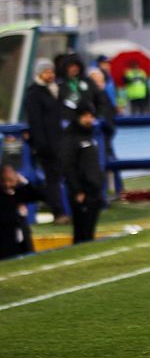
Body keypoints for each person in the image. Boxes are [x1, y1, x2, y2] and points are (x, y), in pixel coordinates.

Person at [24, 58, 69, 225]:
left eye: (51, 71)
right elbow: (36, 122)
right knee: (52, 180)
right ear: (39, 73)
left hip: (58, 143)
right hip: (47, 146)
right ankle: (58, 212)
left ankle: (62, 209)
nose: (50, 74)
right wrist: (42, 145)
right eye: (47, 71)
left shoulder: (54, 90)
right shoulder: (34, 93)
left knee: (57, 178)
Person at [60, 102, 105, 245]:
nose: (88, 119)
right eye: (85, 116)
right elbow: (68, 166)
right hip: (82, 192)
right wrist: (77, 190)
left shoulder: (90, 136)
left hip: (94, 190)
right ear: (78, 117)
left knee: (89, 233)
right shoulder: (70, 138)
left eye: (91, 116)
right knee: (81, 233)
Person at [0, 164, 45, 259]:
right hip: (6, 239)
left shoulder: (20, 192)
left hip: (23, 236)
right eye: (4, 181)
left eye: (10, 180)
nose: (7, 184)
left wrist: (25, 182)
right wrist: (17, 213)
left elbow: (41, 196)